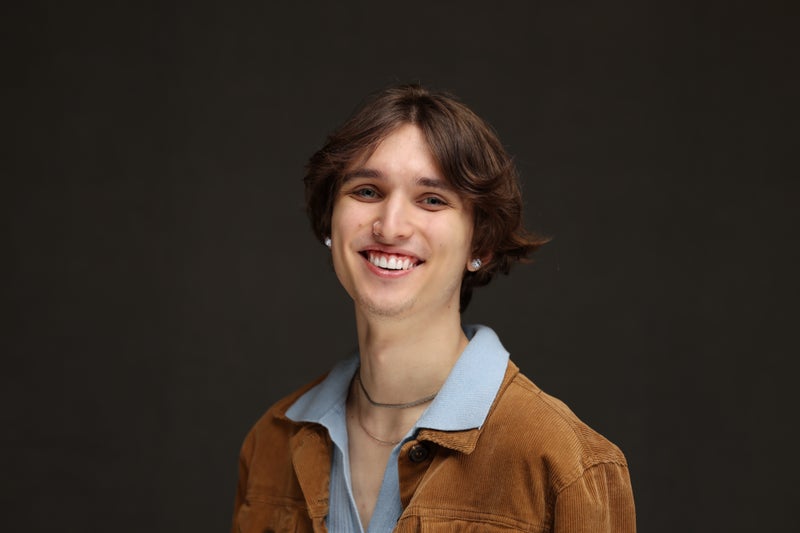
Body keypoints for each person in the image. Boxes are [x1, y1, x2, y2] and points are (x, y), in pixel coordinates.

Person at [231, 84, 636, 532]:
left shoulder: (565, 465)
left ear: (480, 243)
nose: (390, 227)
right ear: (330, 219)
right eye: (367, 191)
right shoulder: (271, 442)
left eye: (432, 200)